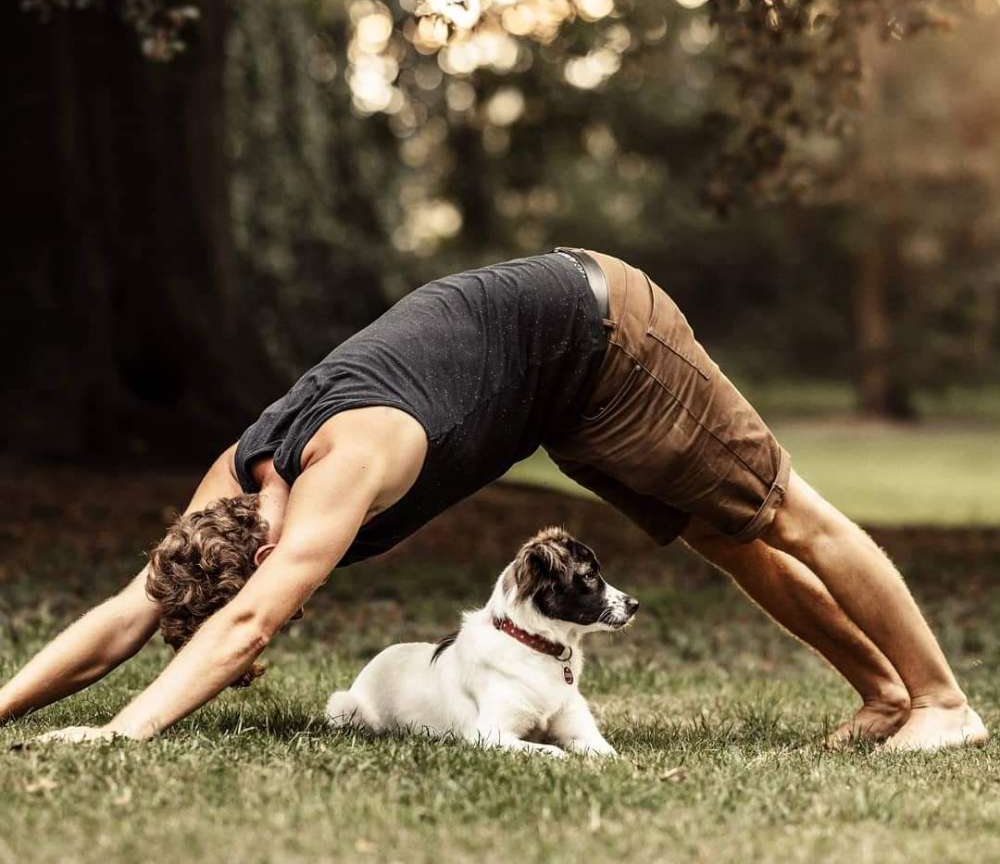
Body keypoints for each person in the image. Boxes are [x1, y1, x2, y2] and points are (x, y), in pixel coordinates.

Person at [0, 248, 987, 750]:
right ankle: (884, 695)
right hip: (552, 391)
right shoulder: (233, 481)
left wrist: (123, 735)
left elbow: (251, 616)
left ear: (261, 553)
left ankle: (941, 702)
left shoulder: (338, 472)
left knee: (783, 511)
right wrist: (7, 706)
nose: (251, 643)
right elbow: (134, 607)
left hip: (600, 333)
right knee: (727, 541)